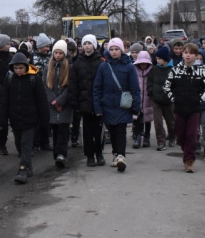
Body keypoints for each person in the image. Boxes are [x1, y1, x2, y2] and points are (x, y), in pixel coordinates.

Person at [163, 43, 205, 173]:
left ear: (196, 56)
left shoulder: (201, 70)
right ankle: (186, 150)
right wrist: (174, 99)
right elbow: (167, 87)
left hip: (194, 108)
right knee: (180, 134)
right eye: (185, 52)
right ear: (182, 54)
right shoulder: (175, 70)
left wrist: (199, 100)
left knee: (191, 134)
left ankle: (189, 160)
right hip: (179, 107)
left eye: (191, 53)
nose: (188, 55)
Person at [93, 37, 141, 173]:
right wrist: (98, 107)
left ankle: (121, 156)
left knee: (120, 130)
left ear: (121, 50)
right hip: (107, 105)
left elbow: (135, 89)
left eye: (116, 49)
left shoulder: (129, 67)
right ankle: (116, 154)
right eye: (111, 49)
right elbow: (97, 88)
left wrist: (136, 108)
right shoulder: (103, 67)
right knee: (112, 131)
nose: (114, 52)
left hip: (122, 105)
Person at [0, 52, 49, 184]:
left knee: (26, 145)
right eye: (16, 68)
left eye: (21, 68)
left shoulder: (34, 79)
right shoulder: (9, 79)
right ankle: (29, 167)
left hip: (30, 119)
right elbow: (5, 100)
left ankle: (23, 169)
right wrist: (3, 119)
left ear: (26, 67)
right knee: (19, 144)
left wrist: (45, 121)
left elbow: (42, 101)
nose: (18, 71)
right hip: (15, 119)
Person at [70, 35, 106, 167]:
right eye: (84, 43)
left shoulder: (101, 63)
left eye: (89, 43)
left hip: (98, 103)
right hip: (83, 103)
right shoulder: (77, 64)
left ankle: (99, 153)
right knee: (87, 131)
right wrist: (75, 103)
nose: (87, 46)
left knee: (98, 130)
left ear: (94, 45)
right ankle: (89, 156)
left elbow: (105, 84)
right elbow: (73, 84)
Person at [46, 40, 74, 168]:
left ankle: (61, 154)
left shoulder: (69, 67)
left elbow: (70, 87)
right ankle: (56, 153)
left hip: (65, 104)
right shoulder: (48, 67)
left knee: (63, 128)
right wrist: (53, 100)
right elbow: (45, 85)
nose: (57, 55)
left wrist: (60, 100)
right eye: (55, 53)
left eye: (60, 53)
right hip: (52, 104)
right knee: (55, 129)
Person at [147, 45, 176, 151]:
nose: (157, 60)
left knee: (171, 121)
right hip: (156, 100)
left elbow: (176, 85)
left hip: (169, 101)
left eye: (159, 58)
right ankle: (161, 142)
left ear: (165, 59)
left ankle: (172, 136)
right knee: (158, 122)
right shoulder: (154, 70)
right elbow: (149, 82)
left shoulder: (173, 70)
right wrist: (151, 92)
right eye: (156, 58)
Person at [32, 33, 53, 152]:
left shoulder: (51, 57)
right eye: (46, 46)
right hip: (35, 91)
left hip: (47, 90)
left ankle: (45, 142)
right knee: (35, 119)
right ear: (40, 46)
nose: (48, 49)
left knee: (45, 118)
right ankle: (35, 143)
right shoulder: (32, 57)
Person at [131, 51, 154, 149]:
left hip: (148, 99)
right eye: (141, 63)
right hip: (137, 99)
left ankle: (147, 137)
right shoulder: (134, 71)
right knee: (137, 120)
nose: (143, 65)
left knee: (147, 120)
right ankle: (138, 137)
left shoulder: (152, 72)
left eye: (145, 63)